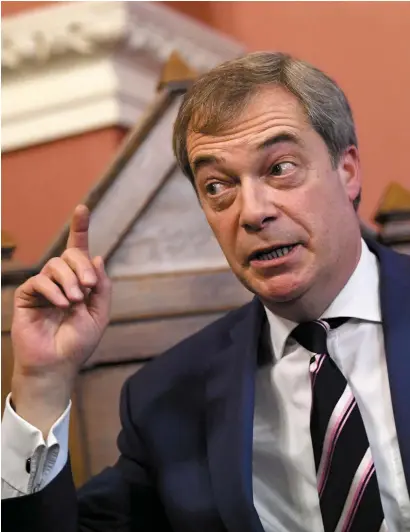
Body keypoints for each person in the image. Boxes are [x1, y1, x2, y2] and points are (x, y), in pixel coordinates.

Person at [2, 51, 410, 532]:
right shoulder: (167, 400)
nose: (253, 212)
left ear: (347, 171)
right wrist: (42, 384)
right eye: (218, 186)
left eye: (280, 168)